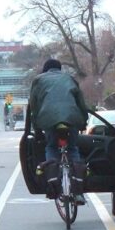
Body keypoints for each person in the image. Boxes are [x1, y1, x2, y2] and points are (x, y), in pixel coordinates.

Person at [29, 59, 88, 204]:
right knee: (73, 148)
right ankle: (78, 190)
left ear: (45, 69)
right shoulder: (69, 79)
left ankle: (53, 181)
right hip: (71, 118)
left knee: (51, 146)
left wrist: (36, 127)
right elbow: (81, 102)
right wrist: (83, 121)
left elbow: (34, 106)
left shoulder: (38, 81)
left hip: (49, 119)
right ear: (60, 69)